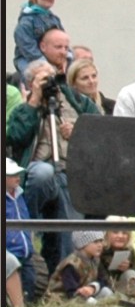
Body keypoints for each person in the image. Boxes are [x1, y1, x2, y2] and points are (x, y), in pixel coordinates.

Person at [6, 57, 93, 279]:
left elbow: (100, 130)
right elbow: (15, 137)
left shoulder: (76, 101)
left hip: (71, 172)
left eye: (52, 78)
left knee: (68, 235)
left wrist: (78, 132)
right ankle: (29, 223)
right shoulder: (24, 109)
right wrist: (35, 100)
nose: (50, 84)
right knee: (44, 173)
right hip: (37, 173)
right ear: (31, 83)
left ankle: (62, 281)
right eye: (43, 79)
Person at [45, 229, 115, 303]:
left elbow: (103, 280)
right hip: (62, 298)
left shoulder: (95, 260)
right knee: (91, 302)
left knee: (106, 291)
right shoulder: (71, 264)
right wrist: (85, 293)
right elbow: (71, 291)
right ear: (83, 244)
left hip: (84, 293)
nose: (100, 245)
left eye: (101, 241)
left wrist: (93, 287)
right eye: (95, 242)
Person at [13, 0, 63, 85]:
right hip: (29, 59)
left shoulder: (54, 19)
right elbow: (27, 46)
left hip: (51, 59)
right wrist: (44, 63)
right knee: (33, 79)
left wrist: (65, 58)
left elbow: (62, 38)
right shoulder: (26, 21)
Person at [5, 158, 36, 302]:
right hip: (10, 252)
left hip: (25, 253)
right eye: (12, 175)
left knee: (30, 283)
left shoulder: (19, 195)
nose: (17, 177)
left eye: (18, 174)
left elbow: (26, 220)